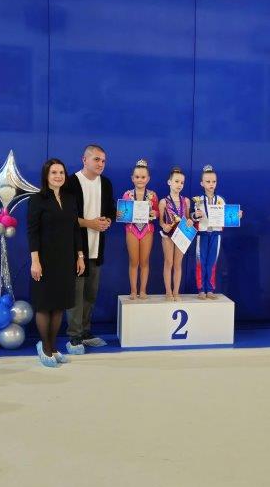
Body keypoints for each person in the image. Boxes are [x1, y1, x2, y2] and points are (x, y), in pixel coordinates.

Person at [28, 158, 85, 367]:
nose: (58, 176)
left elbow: (75, 229)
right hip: (44, 260)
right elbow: (32, 232)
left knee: (59, 305)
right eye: (54, 172)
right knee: (45, 305)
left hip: (66, 259)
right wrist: (35, 261)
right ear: (46, 175)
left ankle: (53, 347)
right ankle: (44, 348)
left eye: (61, 172)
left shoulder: (70, 198)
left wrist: (80, 256)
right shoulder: (37, 199)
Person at [65, 144, 115, 353]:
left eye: (103, 160)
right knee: (76, 294)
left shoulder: (106, 183)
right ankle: (74, 336)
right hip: (76, 249)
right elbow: (65, 217)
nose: (101, 164)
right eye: (96, 159)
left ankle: (85, 332)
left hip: (97, 248)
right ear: (84, 160)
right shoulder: (71, 183)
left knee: (90, 294)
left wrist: (107, 221)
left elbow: (111, 210)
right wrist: (89, 223)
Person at [191, 164, 242, 299]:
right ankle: (201, 289)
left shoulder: (220, 200)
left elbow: (226, 217)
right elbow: (191, 217)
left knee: (212, 262)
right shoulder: (197, 200)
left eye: (214, 181)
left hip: (216, 234)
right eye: (208, 181)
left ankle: (210, 289)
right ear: (202, 183)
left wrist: (236, 215)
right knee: (201, 262)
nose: (211, 184)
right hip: (202, 234)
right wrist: (195, 215)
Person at [120, 159, 159, 300]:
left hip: (147, 229)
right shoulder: (127, 195)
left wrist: (154, 213)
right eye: (137, 177)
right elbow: (123, 215)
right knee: (133, 261)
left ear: (148, 179)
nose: (140, 180)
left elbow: (157, 213)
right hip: (132, 229)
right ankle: (133, 290)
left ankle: (142, 290)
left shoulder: (152, 195)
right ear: (132, 178)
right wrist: (122, 214)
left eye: (143, 177)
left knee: (144, 261)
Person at [158, 166, 193, 301]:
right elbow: (161, 222)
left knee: (178, 264)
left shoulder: (186, 201)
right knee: (169, 262)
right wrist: (164, 226)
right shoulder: (163, 202)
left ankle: (176, 292)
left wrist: (189, 221)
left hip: (181, 235)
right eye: (176, 181)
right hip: (168, 235)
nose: (179, 185)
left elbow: (187, 218)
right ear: (169, 182)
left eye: (182, 182)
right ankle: (168, 292)